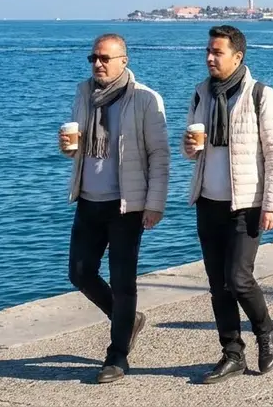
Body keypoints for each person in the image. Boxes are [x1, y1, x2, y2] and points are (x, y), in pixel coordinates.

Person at [60, 34, 169, 384]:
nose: (98, 64)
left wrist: (154, 205)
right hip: (88, 200)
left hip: (126, 204)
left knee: (123, 281)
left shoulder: (144, 99)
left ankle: (117, 355)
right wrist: (67, 149)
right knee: (80, 272)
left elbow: (159, 155)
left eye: (106, 58)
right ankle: (128, 319)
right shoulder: (83, 93)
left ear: (124, 60)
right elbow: (79, 148)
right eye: (93, 58)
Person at [184, 25, 273, 384]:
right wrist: (189, 148)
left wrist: (272, 205)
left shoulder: (261, 96)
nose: (210, 58)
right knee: (217, 284)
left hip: (247, 202)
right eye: (208, 52)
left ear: (238, 56)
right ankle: (232, 353)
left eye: (218, 52)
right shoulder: (201, 95)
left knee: (238, 277)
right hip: (208, 200)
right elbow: (192, 150)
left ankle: (266, 331)